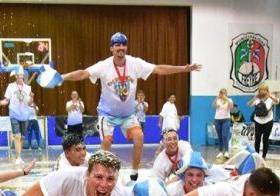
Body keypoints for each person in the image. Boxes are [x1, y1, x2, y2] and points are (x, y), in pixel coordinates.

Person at [61, 32, 201, 177]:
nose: (121, 48)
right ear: (111, 48)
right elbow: (83, 73)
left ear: (126, 47)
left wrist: (183, 69)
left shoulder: (135, 63)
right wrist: (63, 77)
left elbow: (158, 69)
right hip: (107, 114)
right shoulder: (104, 66)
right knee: (107, 141)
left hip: (128, 114)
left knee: (139, 136)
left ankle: (134, 173)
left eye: (123, 45)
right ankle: (106, 173)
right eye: (117, 45)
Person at [0, 69, 33, 166]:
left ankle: (19, 156)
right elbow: (7, 100)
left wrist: (32, 98)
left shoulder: (28, 88)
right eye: (17, 75)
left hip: (25, 114)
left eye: (20, 75)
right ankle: (18, 157)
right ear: (15, 76)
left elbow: (30, 103)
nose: (19, 77)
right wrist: (2, 102)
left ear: (23, 76)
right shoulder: (10, 87)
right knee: (17, 136)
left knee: (22, 138)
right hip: (14, 113)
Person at [248, 84, 279, 159]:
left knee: (265, 138)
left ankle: (264, 155)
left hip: (268, 121)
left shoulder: (270, 98)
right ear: (259, 91)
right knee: (257, 138)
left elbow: (277, 101)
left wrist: (270, 96)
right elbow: (248, 104)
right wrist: (254, 98)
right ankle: (256, 155)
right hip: (258, 120)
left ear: (267, 91)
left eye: (265, 90)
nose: (263, 91)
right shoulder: (257, 99)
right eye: (261, 90)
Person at [212, 88, 233, 160]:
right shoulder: (218, 100)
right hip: (217, 120)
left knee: (224, 135)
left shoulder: (229, 100)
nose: (221, 94)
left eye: (223, 93)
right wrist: (216, 99)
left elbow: (231, 106)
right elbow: (214, 106)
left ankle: (226, 151)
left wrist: (226, 98)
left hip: (226, 119)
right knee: (220, 136)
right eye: (221, 93)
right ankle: (220, 151)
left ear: (226, 94)